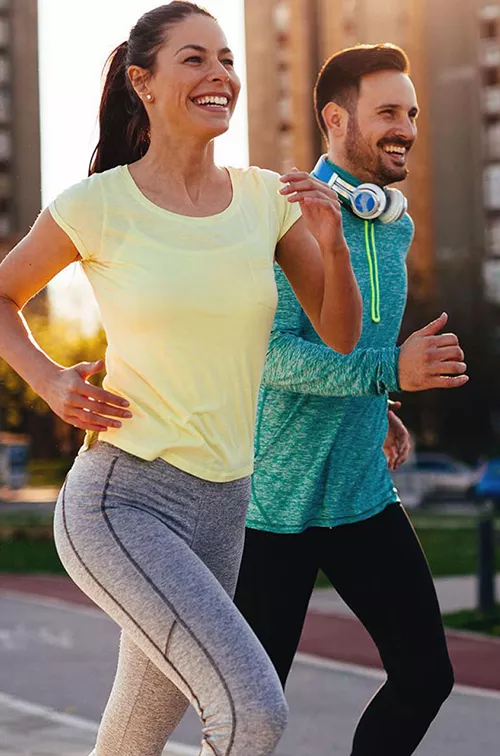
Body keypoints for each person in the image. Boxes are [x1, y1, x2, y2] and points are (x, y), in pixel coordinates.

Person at [0, 4, 363, 755]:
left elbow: (340, 333)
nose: (220, 75)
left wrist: (333, 245)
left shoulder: (266, 199)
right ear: (145, 83)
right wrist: (46, 379)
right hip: (122, 500)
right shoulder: (97, 205)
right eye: (195, 59)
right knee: (252, 712)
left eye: (227, 59)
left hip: (223, 510)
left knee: (131, 740)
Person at [234, 44, 468, 756]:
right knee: (252, 712)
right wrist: (385, 373)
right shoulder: (284, 217)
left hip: (362, 493)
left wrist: (380, 404)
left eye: (413, 113)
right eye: (388, 113)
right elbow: (270, 356)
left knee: (426, 675)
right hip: (275, 506)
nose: (406, 127)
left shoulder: (395, 222)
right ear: (337, 119)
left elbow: (352, 343)